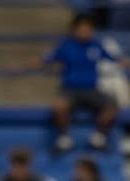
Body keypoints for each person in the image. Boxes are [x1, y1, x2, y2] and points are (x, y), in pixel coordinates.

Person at [40, 14, 121, 153]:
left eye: (88, 29)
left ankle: (98, 138)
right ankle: (64, 139)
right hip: (70, 90)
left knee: (112, 105)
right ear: (74, 29)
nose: (85, 32)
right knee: (59, 106)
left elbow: (116, 59)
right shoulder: (65, 46)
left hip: (92, 91)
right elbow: (45, 61)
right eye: (82, 29)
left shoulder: (96, 45)